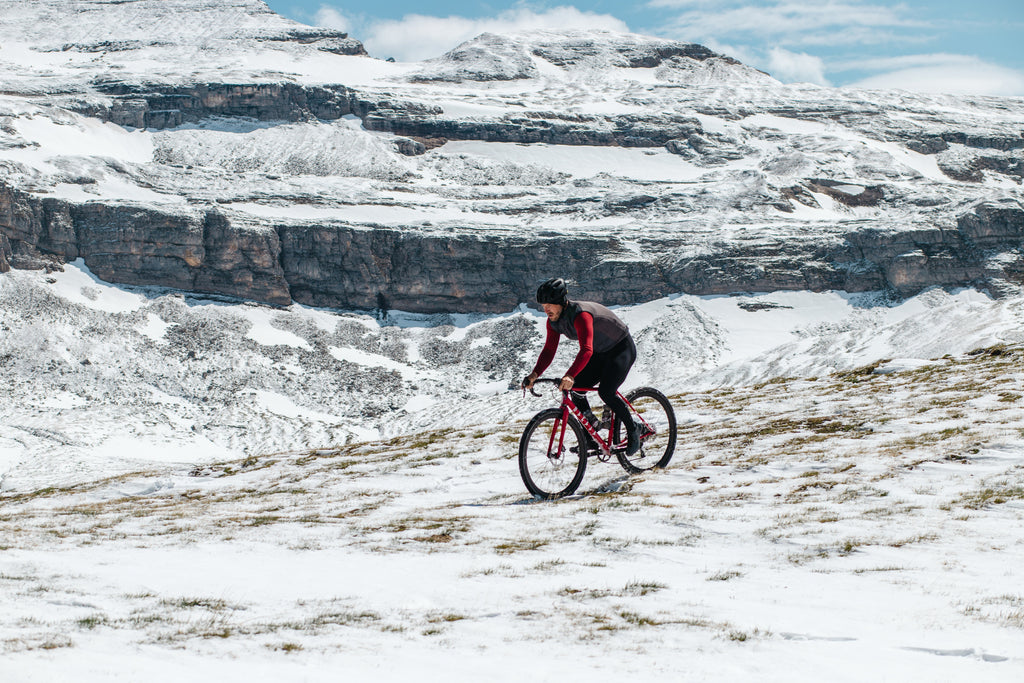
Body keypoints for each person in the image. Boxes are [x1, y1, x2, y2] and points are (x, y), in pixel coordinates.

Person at [522, 278, 641, 455]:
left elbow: (586, 350)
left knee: (606, 392)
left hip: (620, 348)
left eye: (550, 304)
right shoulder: (553, 322)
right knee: (576, 389)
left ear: (561, 302)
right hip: (600, 353)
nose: (546, 309)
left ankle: (634, 430)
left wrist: (569, 375)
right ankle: (590, 439)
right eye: (543, 305)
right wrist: (534, 374)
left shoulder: (580, 315)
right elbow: (548, 350)